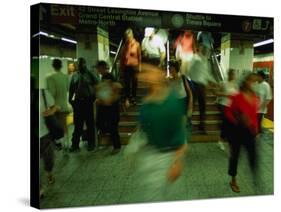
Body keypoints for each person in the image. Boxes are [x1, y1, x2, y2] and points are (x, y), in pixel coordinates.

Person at [128, 65, 188, 200]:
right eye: (143, 72)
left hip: (167, 157)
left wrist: (177, 163)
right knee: (152, 197)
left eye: (149, 72)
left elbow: (180, 134)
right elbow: (142, 127)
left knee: (169, 197)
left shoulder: (171, 102)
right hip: (150, 155)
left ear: (160, 75)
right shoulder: (147, 102)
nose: (144, 76)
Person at [224, 72, 259, 193]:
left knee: (253, 155)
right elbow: (228, 111)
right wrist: (237, 119)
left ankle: (255, 177)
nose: (253, 84)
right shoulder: (236, 96)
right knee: (235, 156)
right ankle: (233, 179)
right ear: (245, 82)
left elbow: (254, 115)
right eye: (251, 81)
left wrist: (256, 130)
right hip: (237, 130)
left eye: (254, 81)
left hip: (250, 131)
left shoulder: (255, 97)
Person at [68, 57, 98, 152]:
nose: (81, 66)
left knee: (90, 123)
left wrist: (95, 97)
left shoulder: (90, 74)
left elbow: (97, 84)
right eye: (79, 64)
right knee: (78, 125)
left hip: (88, 101)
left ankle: (91, 143)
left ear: (85, 64)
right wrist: (71, 101)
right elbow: (71, 89)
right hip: (78, 102)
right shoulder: (75, 76)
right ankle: (75, 144)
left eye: (82, 64)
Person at [188, 45, 217, 133]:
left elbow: (207, 74)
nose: (207, 53)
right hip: (195, 84)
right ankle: (189, 124)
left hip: (201, 85)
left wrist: (213, 82)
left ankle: (201, 126)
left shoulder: (204, 61)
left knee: (201, 106)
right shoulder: (196, 58)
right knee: (193, 105)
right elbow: (190, 70)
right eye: (205, 51)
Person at [96, 61, 122, 154]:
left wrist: (112, 98)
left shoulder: (108, 76)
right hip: (106, 105)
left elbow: (117, 87)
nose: (97, 70)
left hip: (112, 106)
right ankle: (109, 140)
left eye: (98, 68)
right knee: (101, 122)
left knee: (113, 126)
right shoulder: (104, 77)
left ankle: (116, 146)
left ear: (102, 68)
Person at [39, 89, 59, 198]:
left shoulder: (42, 92)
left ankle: (48, 172)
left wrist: (51, 112)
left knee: (49, 158)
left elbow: (55, 106)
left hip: (44, 133)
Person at [46, 59, 69, 149]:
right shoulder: (65, 76)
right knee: (64, 126)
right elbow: (67, 89)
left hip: (55, 107)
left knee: (55, 127)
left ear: (53, 65)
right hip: (64, 105)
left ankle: (59, 145)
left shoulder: (50, 77)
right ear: (61, 66)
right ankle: (66, 143)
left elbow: (51, 93)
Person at [169, 60, 193, 141]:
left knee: (185, 121)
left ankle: (184, 138)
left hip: (183, 101)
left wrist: (190, 102)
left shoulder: (182, 77)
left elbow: (189, 91)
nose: (170, 70)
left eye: (171, 68)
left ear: (175, 69)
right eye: (169, 68)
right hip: (175, 103)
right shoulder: (169, 80)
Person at [215, 69, 238, 150]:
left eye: (235, 75)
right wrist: (226, 94)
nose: (234, 76)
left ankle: (224, 140)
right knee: (226, 123)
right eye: (233, 74)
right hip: (224, 105)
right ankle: (222, 141)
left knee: (230, 124)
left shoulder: (235, 84)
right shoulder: (223, 83)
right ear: (229, 74)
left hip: (232, 107)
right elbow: (216, 92)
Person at [120, 28, 141, 107]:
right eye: (126, 36)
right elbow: (122, 58)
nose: (127, 38)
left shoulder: (137, 44)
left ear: (132, 35)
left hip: (134, 66)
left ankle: (133, 98)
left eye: (129, 36)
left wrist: (139, 66)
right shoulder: (124, 46)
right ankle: (127, 98)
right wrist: (121, 69)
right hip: (126, 67)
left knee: (135, 83)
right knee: (127, 83)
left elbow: (139, 56)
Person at [254, 70, 272, 134]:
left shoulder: (266, 85)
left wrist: (262, 107)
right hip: (253, 108)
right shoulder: (255, 84)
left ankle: (258, 138)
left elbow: (268, 98)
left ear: (261, 77)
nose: (256, 77)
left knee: (258, 125)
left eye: (257, 76)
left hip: (260, 110)